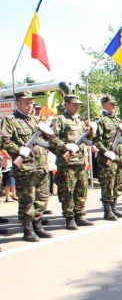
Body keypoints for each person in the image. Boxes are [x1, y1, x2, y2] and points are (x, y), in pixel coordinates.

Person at [0, 90, 54, 240]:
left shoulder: (36, 121)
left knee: (42, 199)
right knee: (27, 200)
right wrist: (18, 150)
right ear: (17, 104)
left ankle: (38, 225)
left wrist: (50, 134)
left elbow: (48, 141)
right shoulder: (10, 120)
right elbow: (5, 141)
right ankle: (28, 229)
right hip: (26, 168)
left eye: (31, 103)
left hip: (41, 166)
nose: (30, 106)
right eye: (26, 103)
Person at [50, 95, 94, 230]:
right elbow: (51, 137)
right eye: (74, 104)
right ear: (67, 104)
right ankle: (69, 218)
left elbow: (87, 139)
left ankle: (79, 215)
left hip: (80, 161)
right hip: (67, 163)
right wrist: (65, 147)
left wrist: (91, 132)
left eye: (78, 105)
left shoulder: (79, 121)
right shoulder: (61, 120)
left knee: (81, 189)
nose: (77, 107)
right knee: (67, 190)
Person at [93, 95, 122, 221]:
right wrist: (105, 152)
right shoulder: (101, 120)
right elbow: (96, 140)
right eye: (111, 104)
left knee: (118, 183)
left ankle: (114, 207)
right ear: (104, 104)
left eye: (114, 104)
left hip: (120, 157)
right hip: (107, 158)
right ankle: (107, 210)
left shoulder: (117, 120)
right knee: (108, 184)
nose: (114, 106)